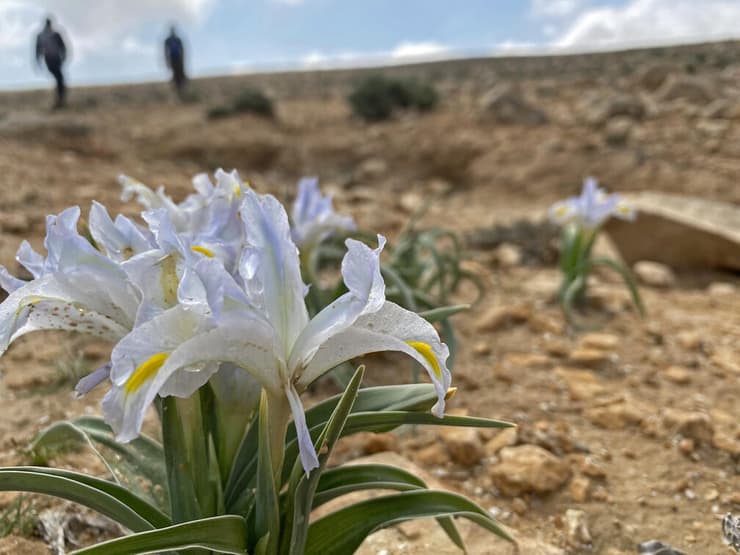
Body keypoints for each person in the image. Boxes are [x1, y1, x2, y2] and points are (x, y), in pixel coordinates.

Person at [35, 17, 68, 109]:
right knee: (60, 79)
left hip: (50, 59)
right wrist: (63, 57)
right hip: (53, 59)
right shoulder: (54, 34)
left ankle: (60, 100)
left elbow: (37, 50)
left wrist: (38, 61)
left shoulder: (41, 35)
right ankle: (60, 100)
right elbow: (63, 47)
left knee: (59, 79)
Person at [164, 26, 187, 98]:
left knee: (181, 75)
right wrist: (167, 61)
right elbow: (165, 51)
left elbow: (182, 49)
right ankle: (177, 92)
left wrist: (182, 60)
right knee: (175, 75)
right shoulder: (168, 40)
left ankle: (182, 91)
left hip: (178, 59)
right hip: (172, 59)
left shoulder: (178, 39)